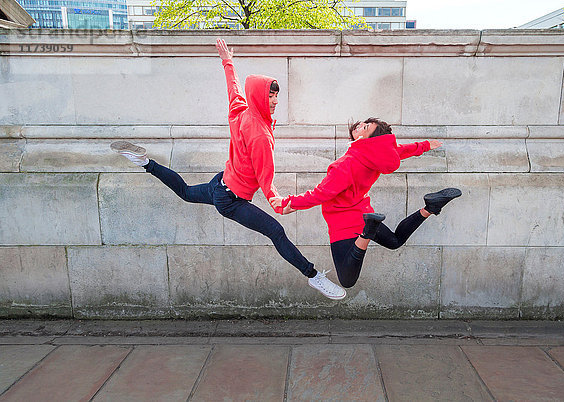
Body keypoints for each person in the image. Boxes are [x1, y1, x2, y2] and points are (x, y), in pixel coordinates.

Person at [110, 38, 346, 300]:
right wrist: (279, 205)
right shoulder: (260, 136)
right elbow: (265, 180)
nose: (275, 100)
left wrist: (227, 61)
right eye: (270, 95)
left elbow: (233, 89)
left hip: (219, 183)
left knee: (186, 192)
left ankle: (144, 163)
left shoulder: (241, 111)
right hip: (232, 201)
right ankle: (314, 277)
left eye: (277, 94)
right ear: (259, 96)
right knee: (276, 232)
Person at [270, 118, 461, 289]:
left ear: (367, 139)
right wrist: (425, 145)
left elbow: (321, 194)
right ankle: (431, 207)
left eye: (366, 127)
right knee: (394, 241)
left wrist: (288, 202)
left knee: (346, 280)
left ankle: (367, 233)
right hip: (364, 213)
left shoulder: (346, 164)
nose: (360, 124)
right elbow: (398, 151)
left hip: (344, 223)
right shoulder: (375, 156)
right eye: (364, 123)